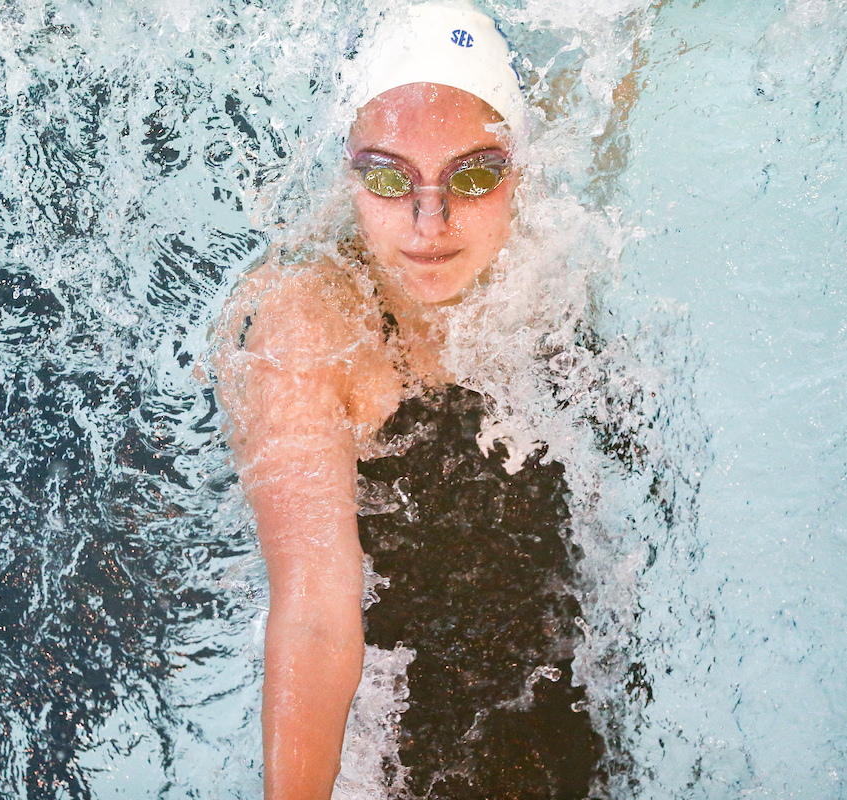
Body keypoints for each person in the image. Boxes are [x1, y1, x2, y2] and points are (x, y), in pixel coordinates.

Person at [215, 4, 603, 797]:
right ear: (349, 174)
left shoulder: (550, 243)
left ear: (520, 167)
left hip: (561, 662)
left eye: (475, 172)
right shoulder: (312, 320)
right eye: (390, 177)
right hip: (401, 719)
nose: (433, 220)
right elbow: (317, 614)